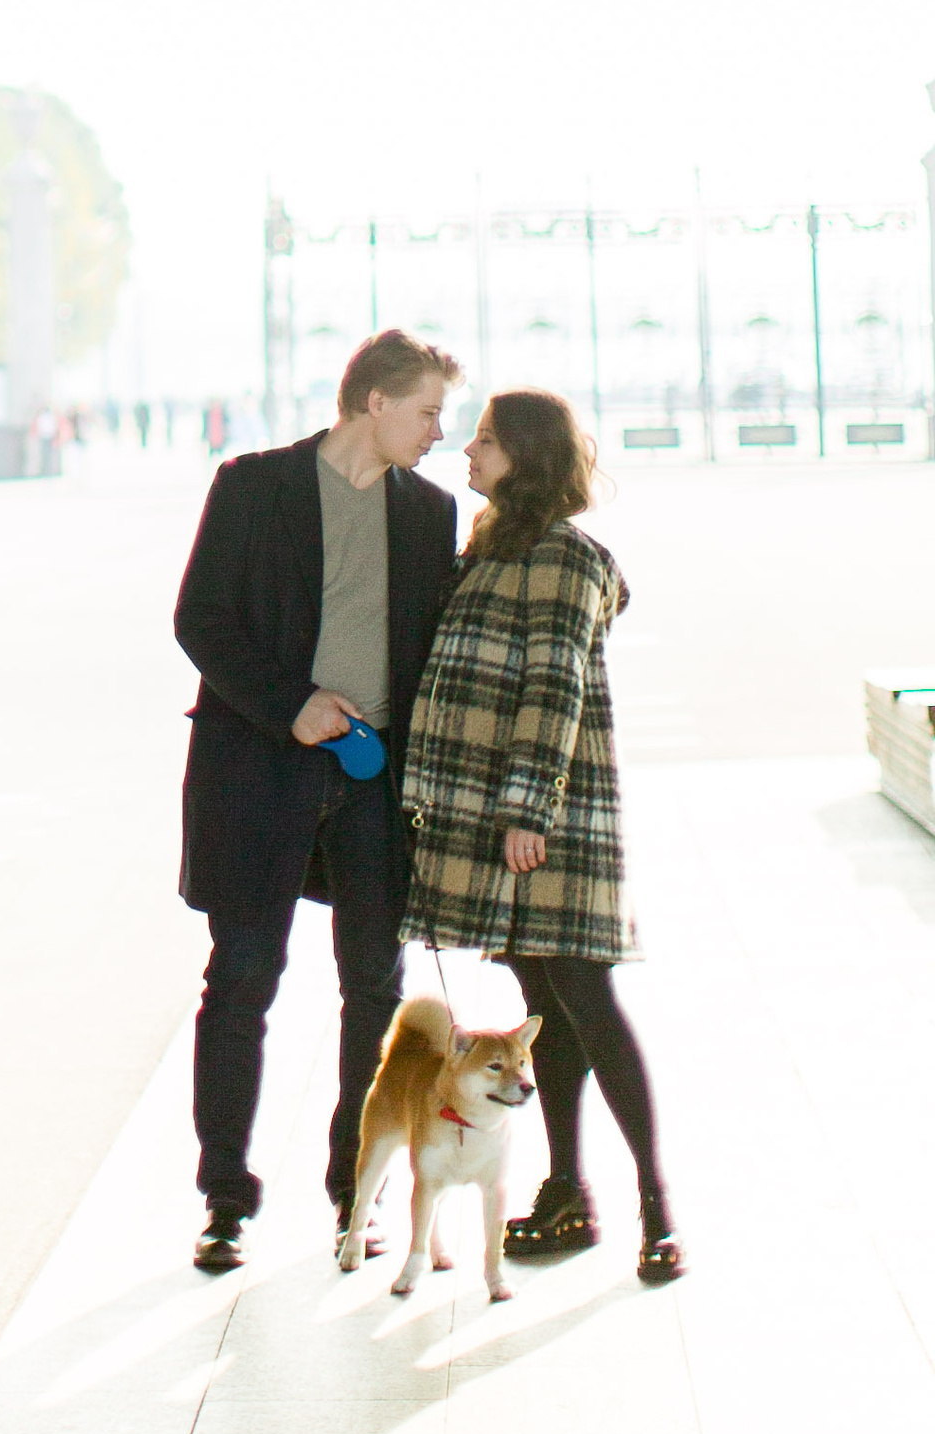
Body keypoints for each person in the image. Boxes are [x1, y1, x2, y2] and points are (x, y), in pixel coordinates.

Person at [174, 329, 461, 1272]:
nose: (437, 432)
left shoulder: (430, 512)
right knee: (243, 980)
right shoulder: (254, 486)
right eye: (425, 411)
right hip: (260, 773)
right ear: (373, 401)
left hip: (376, 786)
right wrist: (289, 706)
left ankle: (355, 1189)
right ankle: (226, 1200)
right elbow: (201, 617)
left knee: (372, 988)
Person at [402, 388, 682, 1284]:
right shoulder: (488, 552)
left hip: (548, 822)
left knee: (586, 999)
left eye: (484, 441)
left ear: (526, 454)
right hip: (509, 823)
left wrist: (528, 807)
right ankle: (567, 1190)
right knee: (542, 1010)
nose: (467, 453)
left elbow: (551, 687)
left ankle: (657, 1210)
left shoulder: (562, 558)